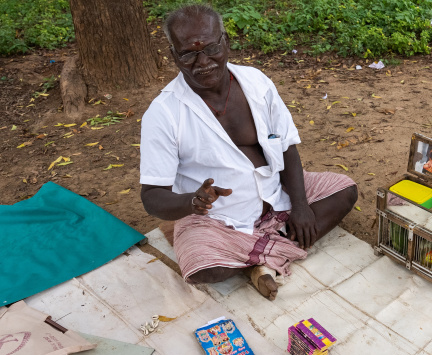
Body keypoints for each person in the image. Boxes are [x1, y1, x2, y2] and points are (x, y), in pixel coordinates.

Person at [140, 4, 357, 300]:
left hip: (276, 192)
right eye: (189, 53)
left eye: (211, 48)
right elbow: (152, 197)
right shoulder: (163, 113)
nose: (203, 62)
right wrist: (193, 201)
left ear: (226, 42)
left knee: (345, 191)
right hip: (218, 218)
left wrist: (302, 206)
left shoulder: (256, 83)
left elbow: (287, 147)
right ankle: (276, 249)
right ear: (173, 55)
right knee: (201, 268)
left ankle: (259, 258)